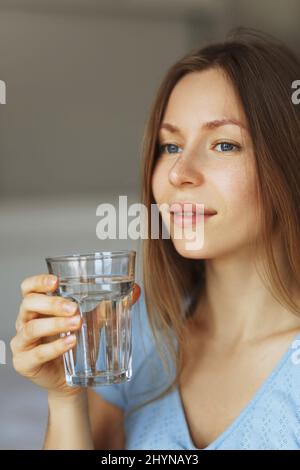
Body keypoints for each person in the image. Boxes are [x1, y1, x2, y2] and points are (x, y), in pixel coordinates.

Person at [11, 27, 300, 450]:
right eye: (169, 146)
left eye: (223, 145)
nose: (179, 173)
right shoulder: (141, 331)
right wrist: (65, 396)